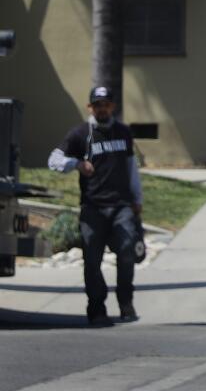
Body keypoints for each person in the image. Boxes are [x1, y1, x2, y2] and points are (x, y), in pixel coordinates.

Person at [47, 85, 143, 326]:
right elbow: (53, 160)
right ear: (90, 107)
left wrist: (137, 200)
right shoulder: (80, 134)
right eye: (97, 105)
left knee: (127, 252)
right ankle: (97, 308)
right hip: (93, 207)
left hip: (121, 205)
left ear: (113, 107)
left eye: (106, 104)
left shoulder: (123, 132)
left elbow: (132, 168)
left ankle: (126, 303)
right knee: (92, 260)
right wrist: (76, 164)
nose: (102, 109)